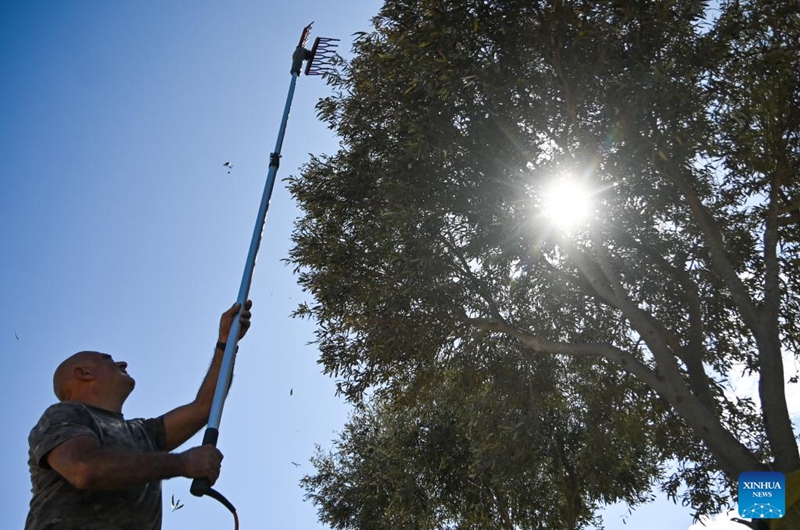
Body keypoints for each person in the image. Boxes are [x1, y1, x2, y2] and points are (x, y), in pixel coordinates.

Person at [25, 300, 253, 530]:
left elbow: (205, 407)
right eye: (107, 358)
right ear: (84, 373)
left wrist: (226, 342)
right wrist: (183, 463)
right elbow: (84, 468)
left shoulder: (143, 432)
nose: (122, 362)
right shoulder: (64, 414)